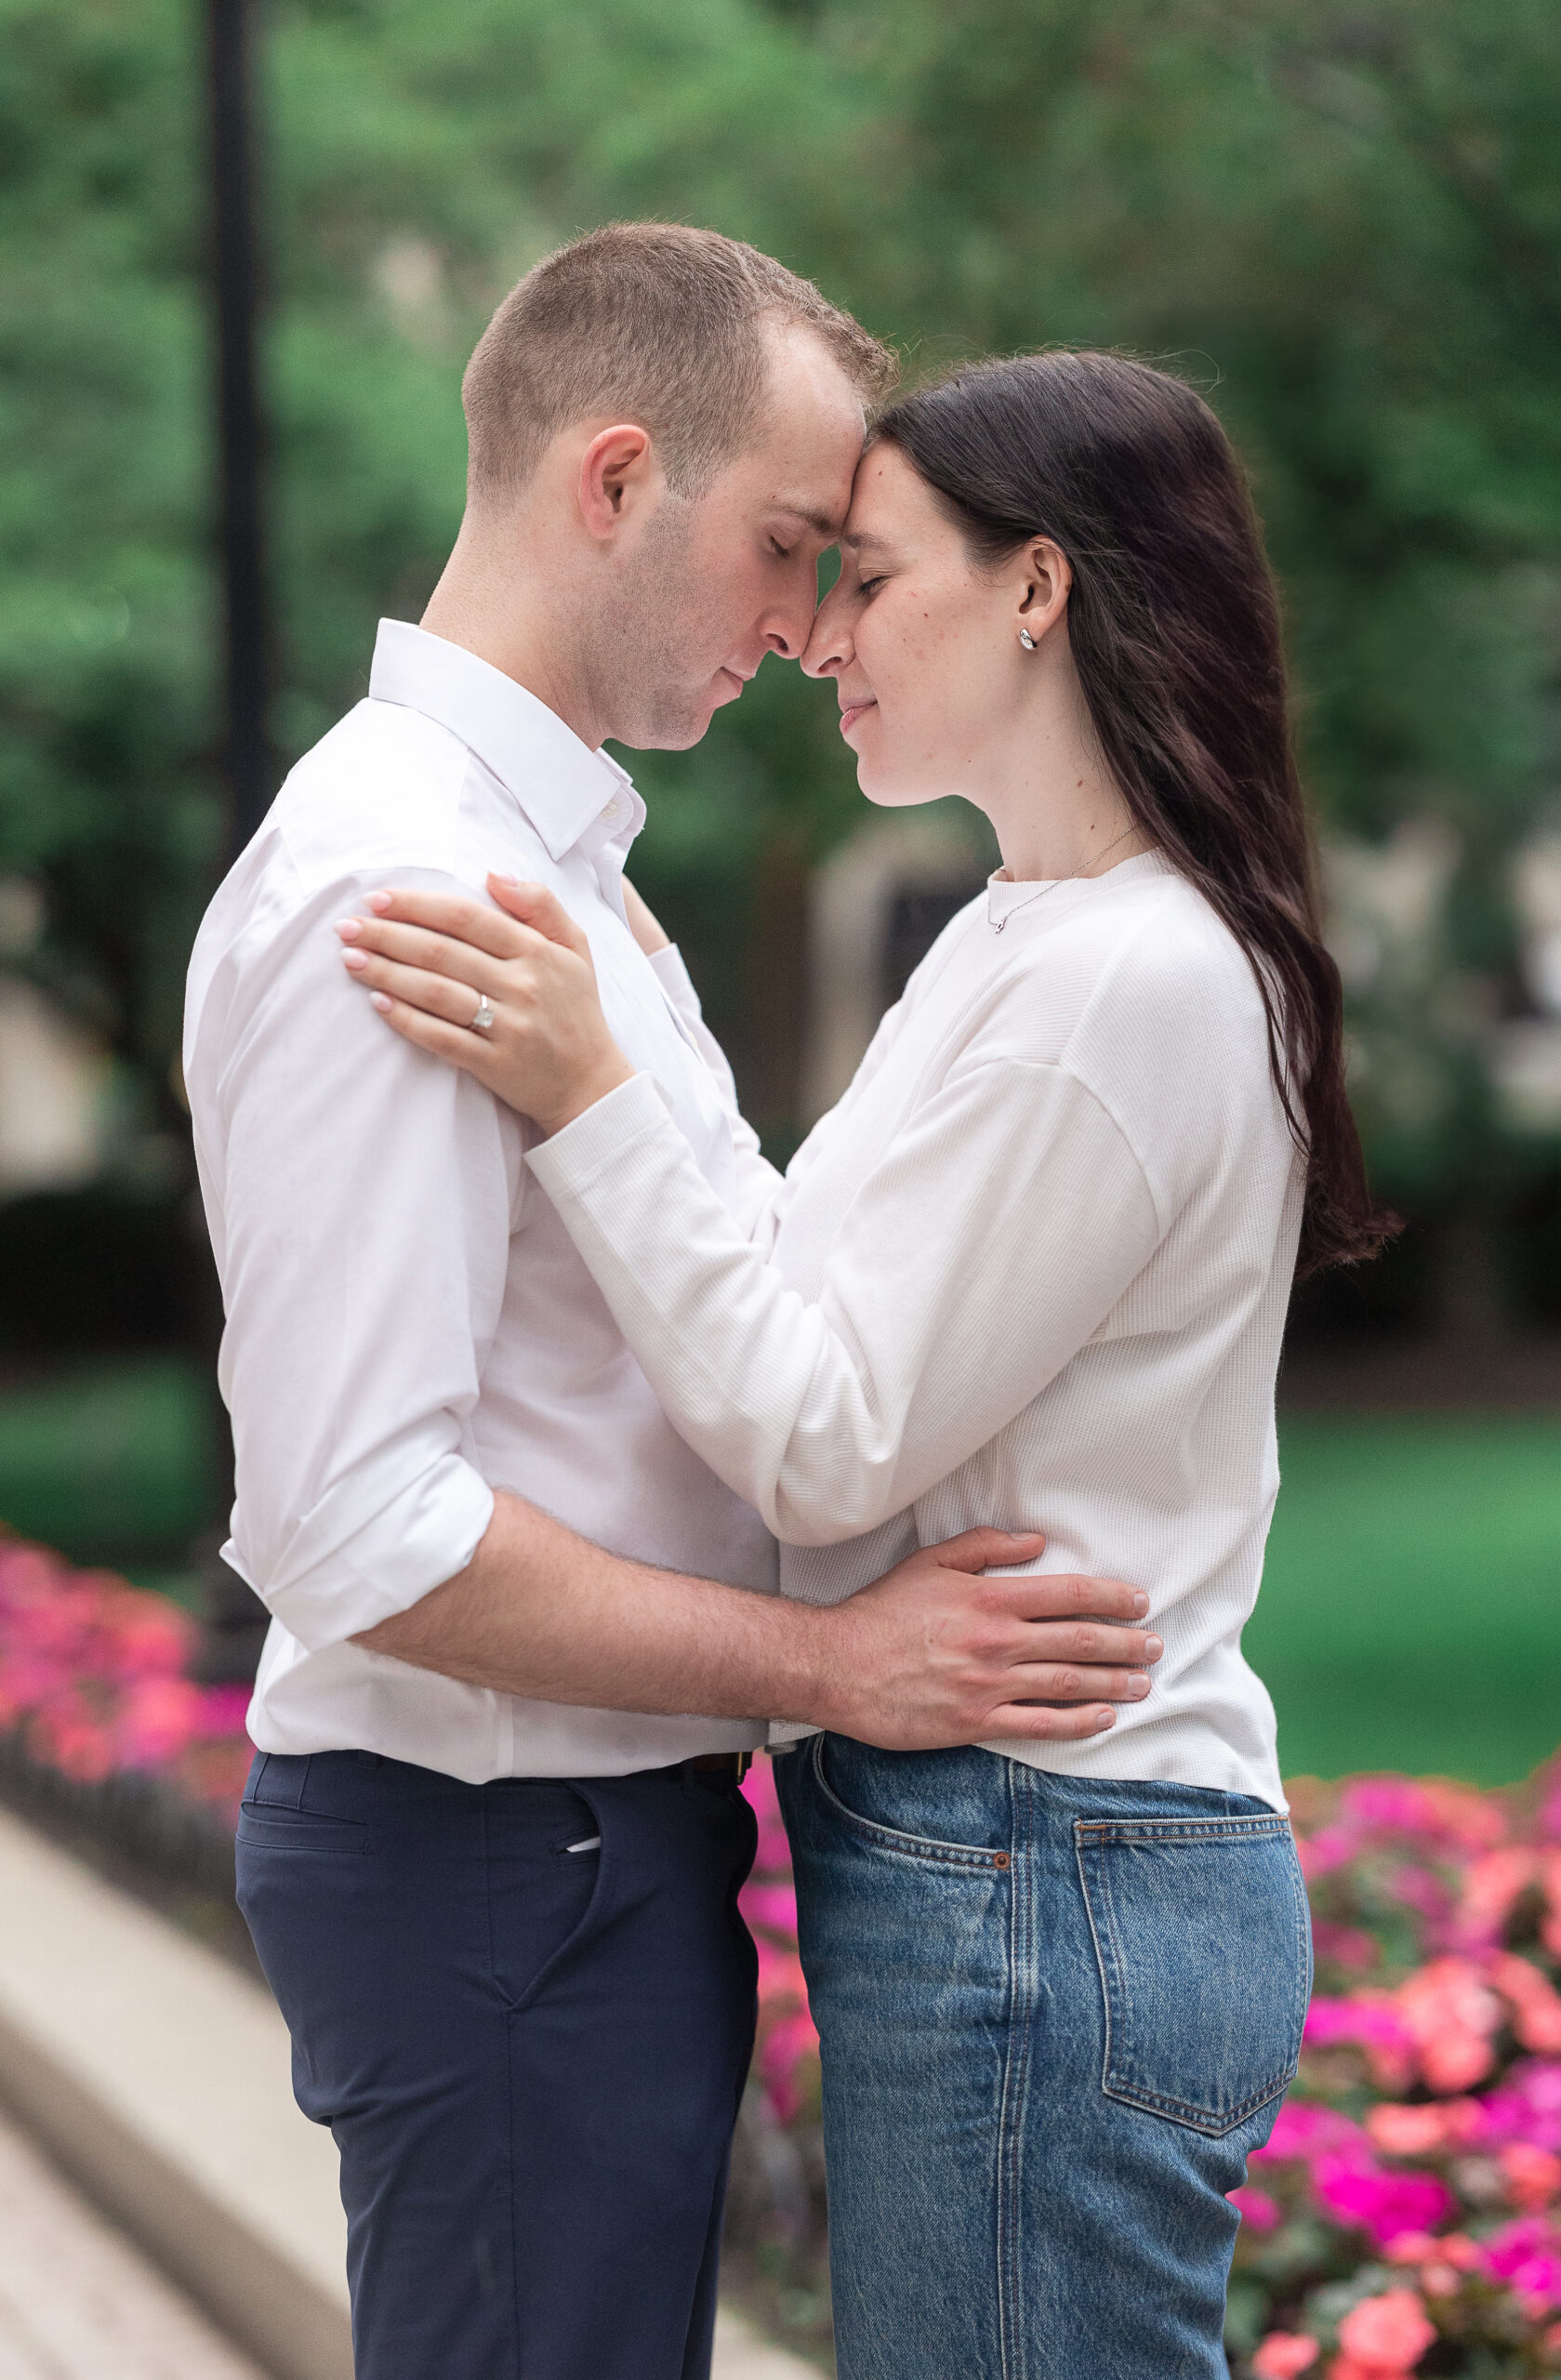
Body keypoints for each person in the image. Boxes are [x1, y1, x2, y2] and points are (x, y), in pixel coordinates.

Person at [338, 348, 1397, 2379]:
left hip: (1046, 1851)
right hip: (1011, 1856)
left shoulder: (1124, 980)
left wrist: (587, 1099)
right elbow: (807, 1297)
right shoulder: (1022, 935)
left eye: (870, 577)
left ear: (1036, 588)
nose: (817, 638)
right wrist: (644, 1047)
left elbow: (818, 1439)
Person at [184, 234, 1159, 2380]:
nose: (810, 624)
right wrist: (832, 1661)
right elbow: (356, 1524)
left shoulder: (550, 867)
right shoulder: (404, 885)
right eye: (791, 546)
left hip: (562, 1852)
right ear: (614, 480)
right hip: (496, 1859)